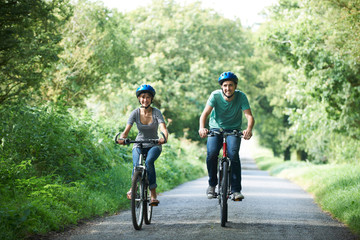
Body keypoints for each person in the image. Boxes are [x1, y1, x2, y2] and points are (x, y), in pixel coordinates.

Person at [198, 71, 255, 200]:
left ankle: (235, 190)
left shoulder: (241, 97)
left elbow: (249, 116)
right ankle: (212, 185)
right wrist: (202, 128)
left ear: (235, 86)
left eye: (230, 85)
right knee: (212, 153)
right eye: (225, 85)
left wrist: (249, 129)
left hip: (233, 130)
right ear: (221, 87)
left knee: (233, 155)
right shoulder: (215, 96)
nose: (227, 88)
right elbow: (205, 114)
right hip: (215, 129)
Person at [117, 84, 168, 206]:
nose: (145, 100)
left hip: (154, 144)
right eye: (143, 97)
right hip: (138, 143)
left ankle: (153, 194)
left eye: (148, 97)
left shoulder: (156, 112)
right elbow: (126, 131)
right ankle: (133, 187)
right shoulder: (135, 113)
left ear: (151, 99)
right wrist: (122, 139)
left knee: (149, 162)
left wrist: (164, 138)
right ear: (139, 98)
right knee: (136, 165)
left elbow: (163, 128)